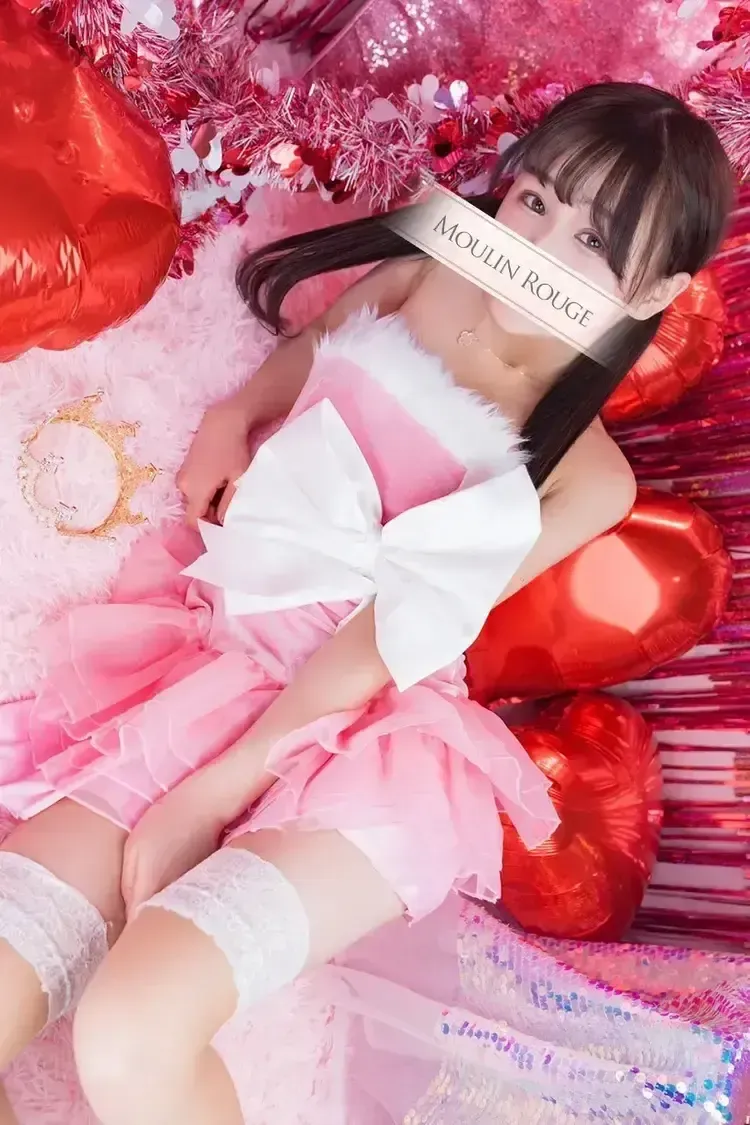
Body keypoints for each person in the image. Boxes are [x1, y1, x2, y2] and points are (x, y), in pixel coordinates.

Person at [0, 82, 733, 1125]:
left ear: (654, 291)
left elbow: (388, 636)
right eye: (535, 203)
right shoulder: (430, 271)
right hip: (206, 665)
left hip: (364, 736)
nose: (536, 252)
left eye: (592, 244)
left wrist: (205, 799)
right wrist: (234, 416)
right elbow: (316, 348)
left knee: (131, 1033)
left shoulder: (586, 478)